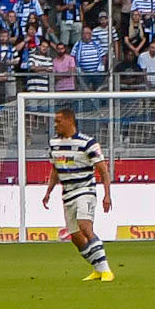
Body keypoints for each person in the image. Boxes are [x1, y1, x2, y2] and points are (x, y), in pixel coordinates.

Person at [40, 106, 114, 283]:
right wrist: (48, 191)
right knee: (75, 237)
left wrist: (107, 195)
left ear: (69, 121)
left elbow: (103, 170)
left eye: (58, 121)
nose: (55, 125)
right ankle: (97, 269)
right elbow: (55, 169)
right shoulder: (54, 144)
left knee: (85, 226)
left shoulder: (88, 143)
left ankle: (107, 271)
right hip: (67, 194)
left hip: (85, 190)